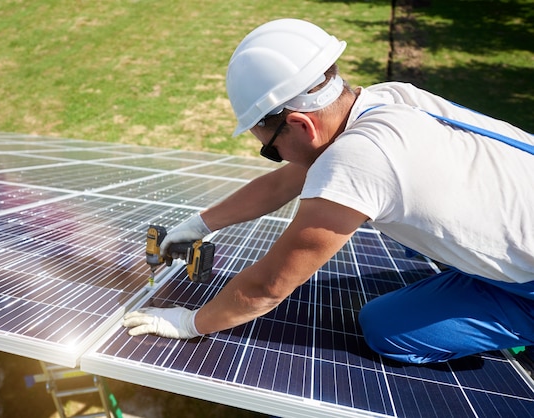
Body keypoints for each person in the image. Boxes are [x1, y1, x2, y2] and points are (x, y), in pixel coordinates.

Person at [123, 18, 534, 364]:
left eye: (271, 150)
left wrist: (190, 323)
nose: (280, 160)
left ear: (302, 125)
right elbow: (286, 182)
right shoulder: (388, 99)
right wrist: (199, 224)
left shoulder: (360, 159)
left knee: (385, 329)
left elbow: (268, 287)